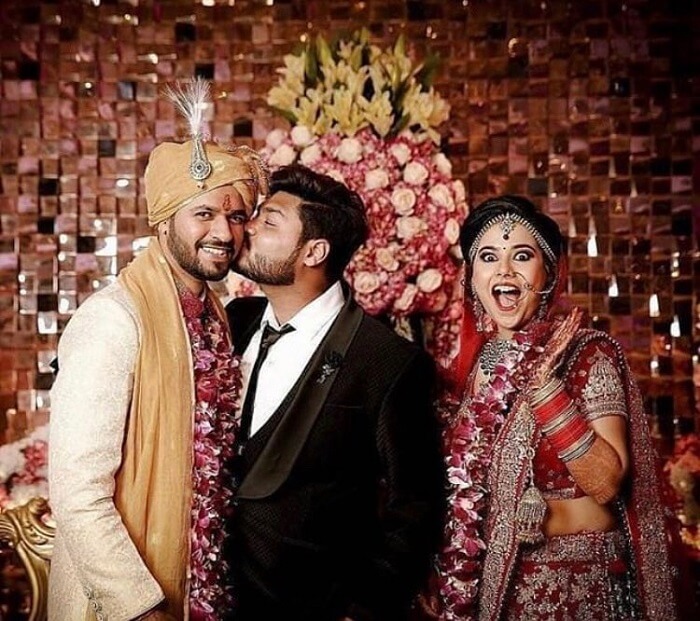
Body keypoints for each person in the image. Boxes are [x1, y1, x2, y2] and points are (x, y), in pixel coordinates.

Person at [48, 80, 268, 620]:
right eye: (205, 214)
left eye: (236, 216)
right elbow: (78, 493)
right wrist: (140, 608)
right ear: (165, 220)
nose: (224, 232)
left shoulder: (215, 321)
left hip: (206, 588)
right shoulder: (114, 319)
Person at [430, 195, 678, 620]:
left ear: (547, 274)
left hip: (578, 590)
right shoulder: (468, 373)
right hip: (494, 593)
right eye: (488, 257)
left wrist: (545, 389)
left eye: (522, 256)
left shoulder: (587, 354)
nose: (504, 270)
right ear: (472, 278)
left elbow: (605, 483)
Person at [225, 163, 445, 620]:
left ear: (315, 251)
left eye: (269, 222)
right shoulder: (233, 321)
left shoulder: (386, 361)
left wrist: (361, 609)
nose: (248, 228)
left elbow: (417, 504)